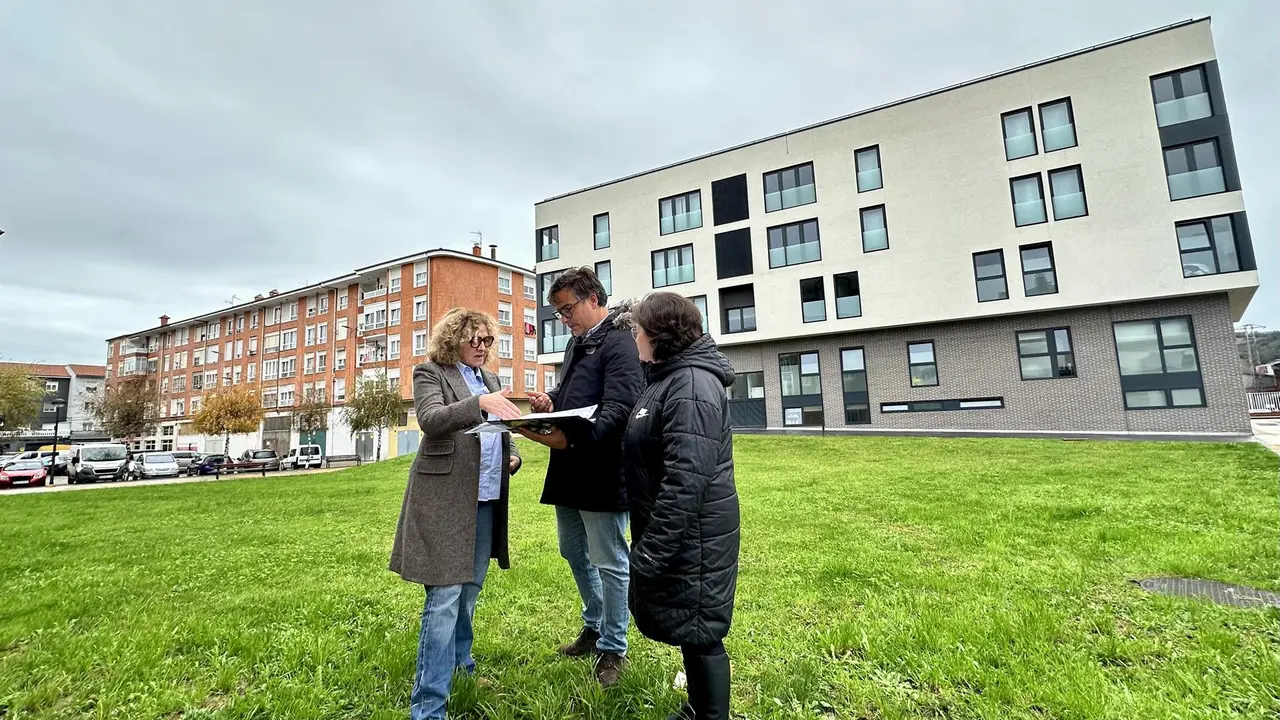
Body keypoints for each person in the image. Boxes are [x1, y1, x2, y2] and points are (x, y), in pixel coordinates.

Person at [389, 307, 524, 720]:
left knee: (469, 592)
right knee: (445, 596)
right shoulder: (430, 372)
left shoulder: (492, 380)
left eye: (489, 341)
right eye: (475, 340)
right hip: (444, 501)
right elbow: (431, 420)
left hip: (485, 500)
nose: (483, 348)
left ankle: (461, 667)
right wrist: (478, 402)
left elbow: (502, 433)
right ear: (454, 339)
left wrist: (513, 454)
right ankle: (429, 706)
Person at [518, 267, 643, 687]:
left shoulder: (621, 341)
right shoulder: (578, 344)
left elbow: (620, 411)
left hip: (601, 468)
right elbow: (574, 393)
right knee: (572, 550)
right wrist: (549, 399)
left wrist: (566, 440)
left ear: (593, 299)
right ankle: (595, 623)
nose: (564, 319)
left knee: (609, 559)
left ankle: (614, 647)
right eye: (558, 313)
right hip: (569, 468)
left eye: (567, 309)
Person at [619, 292, 740, 720]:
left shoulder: (691, 384)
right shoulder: (668, 377)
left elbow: (686, 479)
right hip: (685, 531)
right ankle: (697, 709)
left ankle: (711, 716)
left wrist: (652, 550)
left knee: (703, 627)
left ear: (658, 334)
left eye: (637, 331)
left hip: (697, 532)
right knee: (691, 621)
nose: (633, 339)